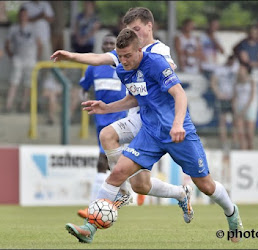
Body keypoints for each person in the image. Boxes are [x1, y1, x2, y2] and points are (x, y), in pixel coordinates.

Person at [65, 28, 243, 244]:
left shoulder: (157, 63)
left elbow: (179, 94)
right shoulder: (123, 69)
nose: (124, 61)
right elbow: (135, 98)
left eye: (128, 56)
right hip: (150, 132)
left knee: (206, 185)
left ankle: (232, 213)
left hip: (179, 133)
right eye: (120, 57)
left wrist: (178, 124)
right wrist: (107, 108)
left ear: (139, 50)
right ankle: (89, 228)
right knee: (117, 172)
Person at [51, 7, 193, 216]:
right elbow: (98, 58)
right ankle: (164, 193)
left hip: (154, 122)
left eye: (136, 29)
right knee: (139, 182)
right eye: (130, 30)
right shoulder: (127, 52)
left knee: (140, 182)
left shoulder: (159, 51)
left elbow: (168, 70)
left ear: (148, 26)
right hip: (135, 116)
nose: (134, 34)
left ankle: (121, 192)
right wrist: (71, 56)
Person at [76, 34, 127, 218]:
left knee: (105, 162)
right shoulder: (93, 67)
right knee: (114, 165)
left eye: (111, 43)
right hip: (101, 119)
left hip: (122, 120)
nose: (108, 45)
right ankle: (112, 200)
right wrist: (83, 102)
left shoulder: (125, 66)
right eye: (105, 43)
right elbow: (83, 88)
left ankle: (94, 207)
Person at [22, 0, 58, 124]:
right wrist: (40, 16)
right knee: (32, 75)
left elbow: (51, 19)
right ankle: (28, 104)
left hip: (44, 42)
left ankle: (41, 103)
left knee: (46, 73)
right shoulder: (26, 5)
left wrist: (43, 16)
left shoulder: (45, 4)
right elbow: (23, 19)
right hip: (30, 44)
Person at [5, 7, 42, 112]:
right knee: (13, 82)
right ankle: (8, 105)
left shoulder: (33, 28)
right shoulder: (14, 28)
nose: (23, 17)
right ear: (19, 16)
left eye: (25, 15)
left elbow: (40, 45)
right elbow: (7, 43)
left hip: (31, 59)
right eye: (21, 15)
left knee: (28, 84)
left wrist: (37, 58)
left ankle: (23, 106)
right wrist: (11, 55)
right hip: (18, 58)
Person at [210, 55, 239, 153]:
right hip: (223, 97)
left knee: (235, 120)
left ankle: (235, 140)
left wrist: (235, 95)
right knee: (223, 120)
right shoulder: (220, 70)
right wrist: (218, 93)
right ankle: (224, 141)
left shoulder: (236, 69)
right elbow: (213, 82)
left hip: (233, 97)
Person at [232, 63, 257, 150]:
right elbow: (234, 97)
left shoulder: (251, 81)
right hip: (239, 107)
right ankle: (243, 150)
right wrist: (235, 109)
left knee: (249, 133)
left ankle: (251, 150)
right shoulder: (236, 82)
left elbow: (252, 96)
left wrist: (245, 109)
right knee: (241, 133)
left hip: (249, 108)